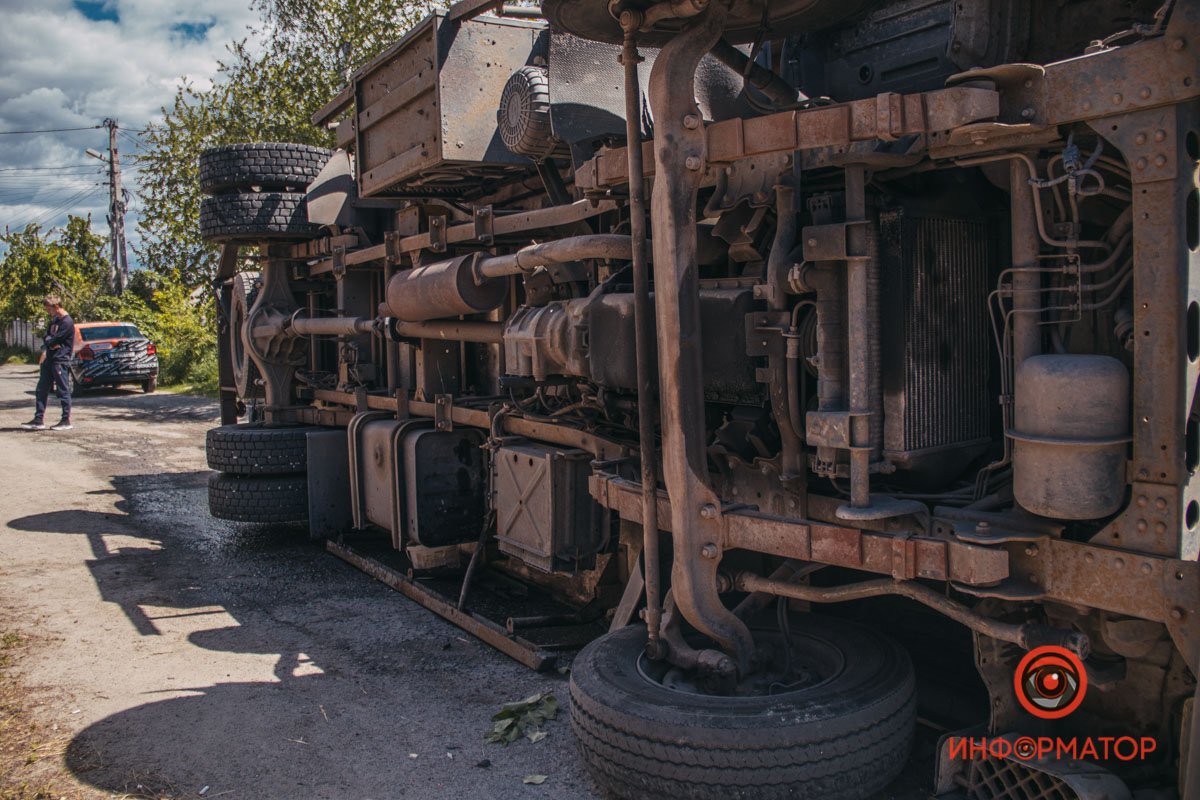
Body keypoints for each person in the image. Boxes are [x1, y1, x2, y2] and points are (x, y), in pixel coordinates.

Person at [22, 295, 75, 431]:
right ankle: (38, 419)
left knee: (62, 389)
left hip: (60, 360)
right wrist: (50, 341)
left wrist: (51, 341)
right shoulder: (55, 320)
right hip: (50, 359)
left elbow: (54, 340)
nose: (47, 312)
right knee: (41, 389)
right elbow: (47, 337)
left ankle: (65, 420)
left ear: (56, 307)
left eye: (49, 309)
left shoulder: (67, 322)